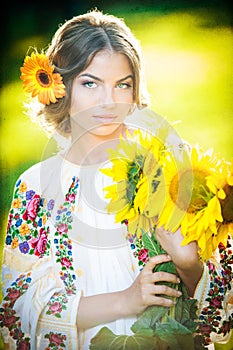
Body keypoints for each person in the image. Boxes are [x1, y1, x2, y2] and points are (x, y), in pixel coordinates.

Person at [0, 9, 232, 350]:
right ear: (60, 87)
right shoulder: (37, 187)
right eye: (90, 83)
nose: (108, 102)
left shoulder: (174, 171)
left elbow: (223, 310)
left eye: (122, 85)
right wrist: (126, 300)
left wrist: (188, 265)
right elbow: (17, 313)